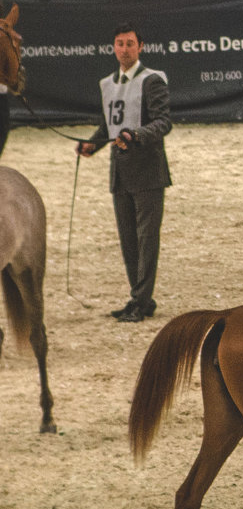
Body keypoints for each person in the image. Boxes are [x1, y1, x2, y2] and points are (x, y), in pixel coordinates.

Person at [76, 23, 173, 324]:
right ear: (113, 47)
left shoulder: (152, 80)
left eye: (130, 43)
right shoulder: (107, 83)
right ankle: (140, 298)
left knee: (146, 240)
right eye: (119, 43)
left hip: (147, 171)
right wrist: (93, 144)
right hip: (119, 172)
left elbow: (163, 123)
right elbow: (109, 127)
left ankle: (140, 302)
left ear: (140, 47)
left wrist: (136, 135)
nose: (124, 49)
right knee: (129, 241)